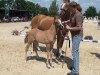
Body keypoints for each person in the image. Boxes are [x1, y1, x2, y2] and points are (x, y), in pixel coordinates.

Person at [66, 1, 83, 75]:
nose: (69, 10)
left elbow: (79, 28)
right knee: (74, 52)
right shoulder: (72, 13)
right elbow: (70, 20)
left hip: (77, 35)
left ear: (74, 7)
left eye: (70, 8)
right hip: (74, 35)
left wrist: (69, 28)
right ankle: (74, 66)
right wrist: (63, 22)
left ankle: (76, 71)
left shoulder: (78, 15)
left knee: (75, 52)